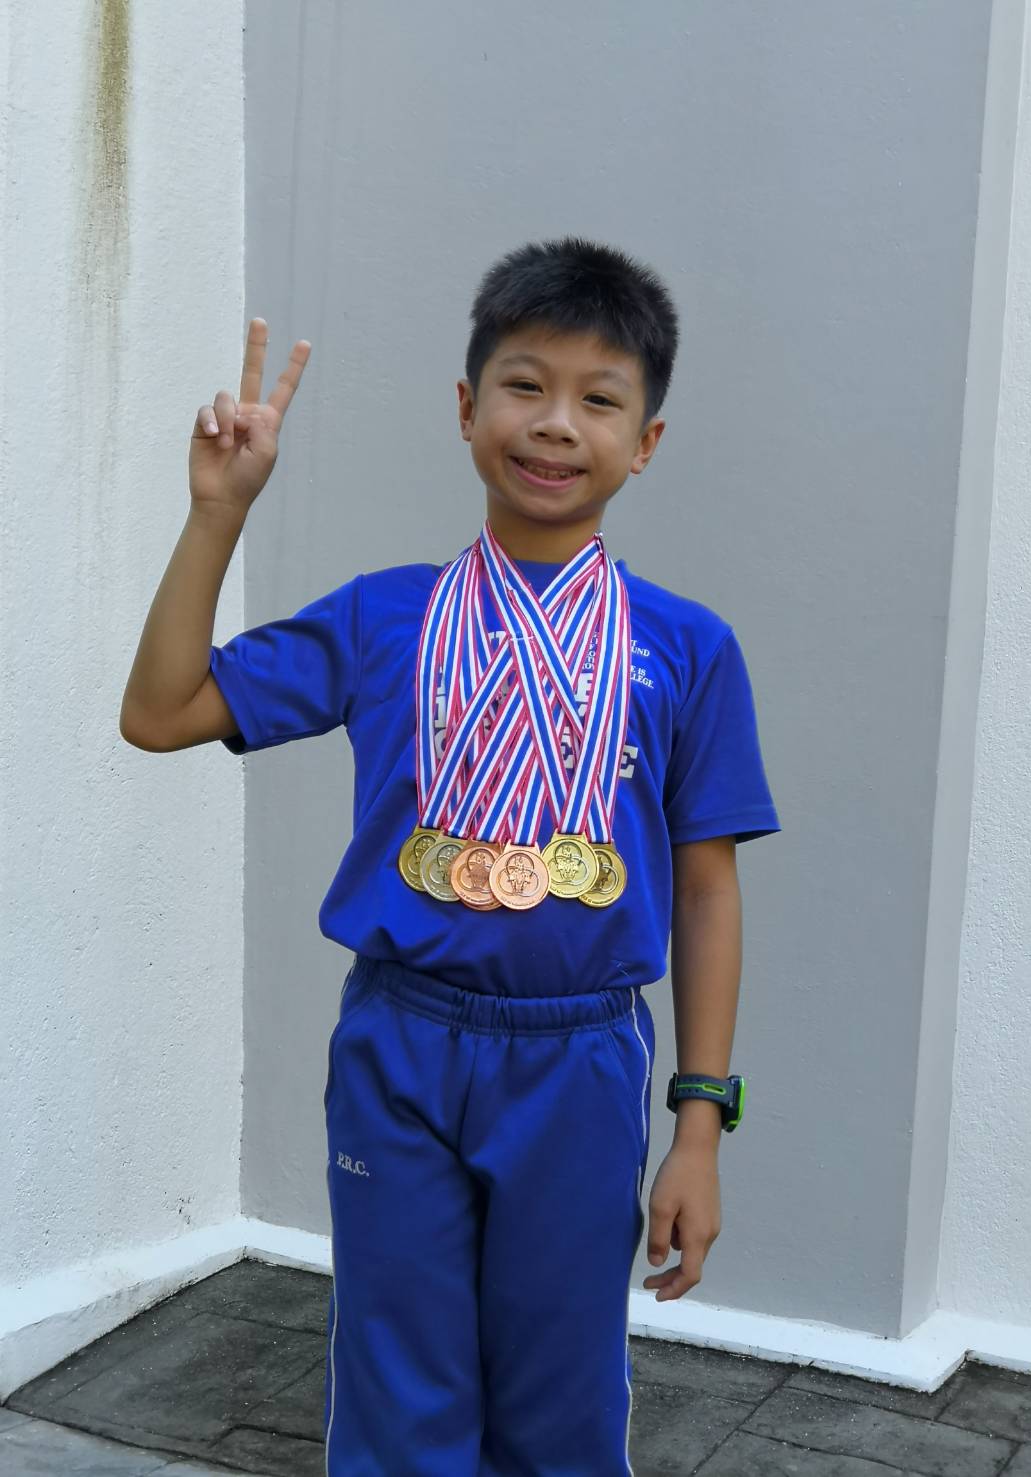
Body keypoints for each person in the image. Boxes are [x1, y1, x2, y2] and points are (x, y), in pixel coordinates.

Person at [119, 236, 781, 1476]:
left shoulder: (688, 649)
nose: (556, 423)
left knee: (561, 1394)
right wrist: (219, 514)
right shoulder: (385, 615)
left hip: (581, 1056)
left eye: (599, 399)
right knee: (398, 1382)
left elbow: (706, 890)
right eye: (525, 385)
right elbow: (160, 712)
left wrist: (698, 1123)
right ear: (467, 408)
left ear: (645, 442)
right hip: (402, 1045)